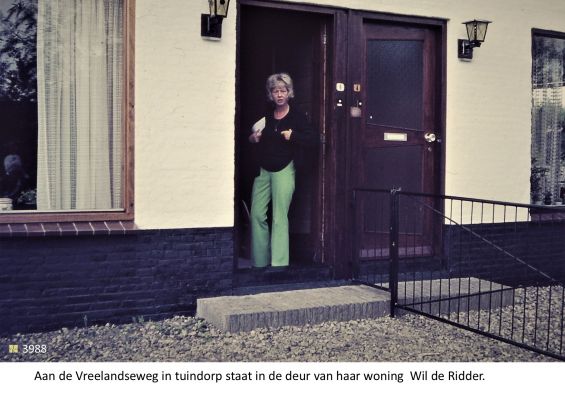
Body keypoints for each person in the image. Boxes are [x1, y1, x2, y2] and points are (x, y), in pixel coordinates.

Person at [248, 73, 317, 269]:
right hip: (264, 169)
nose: (279, 95)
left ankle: (278, 265)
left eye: (283, 91)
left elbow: (313, 139)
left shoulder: (297, 116)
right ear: (270, 94)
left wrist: (293, 136)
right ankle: (259, 263)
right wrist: (253, 138)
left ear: (289, 93)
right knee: (256, 214)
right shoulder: (267, 114)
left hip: (284, 168)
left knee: (279, 217)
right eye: (275, 91)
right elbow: (252, 137)